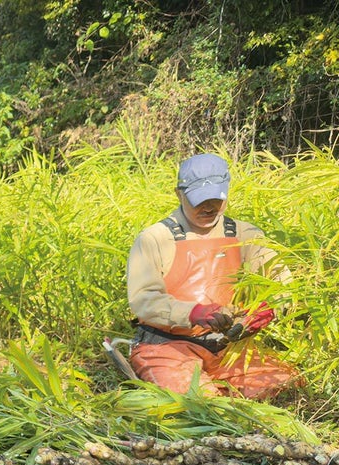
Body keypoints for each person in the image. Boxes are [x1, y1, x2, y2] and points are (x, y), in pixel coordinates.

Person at [126, 153, 300, 400]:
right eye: (199, 200)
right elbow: (143, 300)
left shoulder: (244, 234)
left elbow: (283, 283)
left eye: (215, 199)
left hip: (228, 347)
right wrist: (193, 313)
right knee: (202, 404)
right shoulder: (155, 239)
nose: (208, 207)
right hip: (168, 347)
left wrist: (266, 310)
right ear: (179, 194)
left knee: (286, 384)